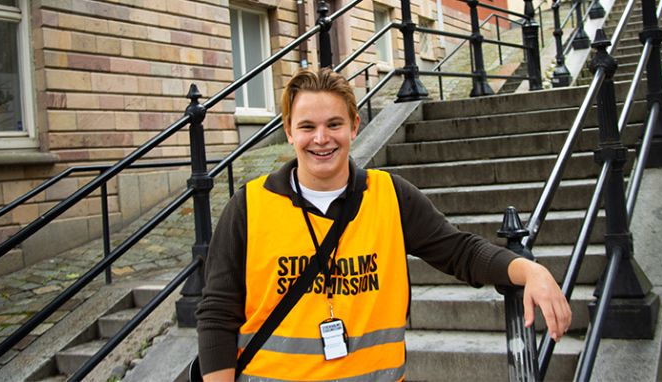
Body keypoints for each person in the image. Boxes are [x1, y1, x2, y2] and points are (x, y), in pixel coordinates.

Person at [196, 68, 572, 381]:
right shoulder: (249, 205)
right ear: (289, 131)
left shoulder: (390, 196)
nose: (321, 138)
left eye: (334, 124)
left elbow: (458, 250)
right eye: (307, 126)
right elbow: (217, 313)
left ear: (355, 126)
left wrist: (527, 270)